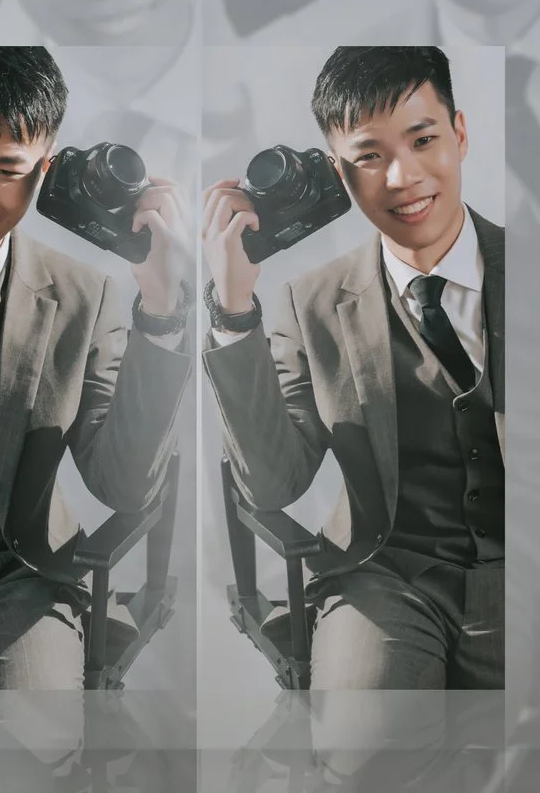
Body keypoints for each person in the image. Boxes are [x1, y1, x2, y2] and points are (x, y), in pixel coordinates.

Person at [0, 45, 192, 690]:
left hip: (14, 585)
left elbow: (124, 487)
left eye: (6, 170)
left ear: (44, 171)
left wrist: (161, 308)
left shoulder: (86, 298)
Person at [203, 46, 507, 691]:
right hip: (383, 577)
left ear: (459, 134)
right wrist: (234, 310)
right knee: (367, 743)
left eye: (423, 140)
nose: (402, 177)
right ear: (339, 172)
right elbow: (273, 484)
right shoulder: (309, 304)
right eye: (369, 156)